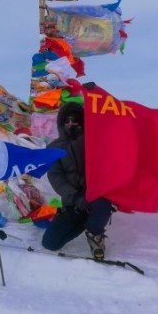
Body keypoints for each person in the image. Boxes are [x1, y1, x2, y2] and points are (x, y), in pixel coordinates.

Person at [41, 102, 116, 259]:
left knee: (103, 206)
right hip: (73, 202)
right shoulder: (53, 148)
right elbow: (56, 177)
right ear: (61, 123)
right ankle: (84, 221)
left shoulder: (93, 141)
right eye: (67, 120)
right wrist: (75, 197)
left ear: (81, 121)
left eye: (75, 120)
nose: (71, 123)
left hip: (95, 196)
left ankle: (95, 234)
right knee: (50, 243)